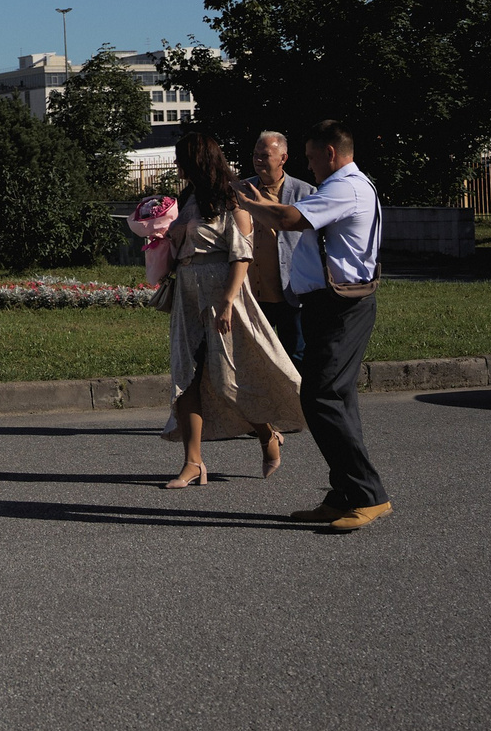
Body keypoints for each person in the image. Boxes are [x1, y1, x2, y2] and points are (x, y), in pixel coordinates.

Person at [236, 118, 391, 532]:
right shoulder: (344, 185)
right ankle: (344, 494)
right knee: (336, 399)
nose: (309, 166)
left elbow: (288, 219)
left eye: (309, 157)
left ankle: (367, 495)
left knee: (322, 397)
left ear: (330, 154)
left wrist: (249, 203)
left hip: (341, 307)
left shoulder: (344, 187)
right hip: (329, 304)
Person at [160, 132, 304, 488]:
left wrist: (226, 302)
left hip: (222, 294)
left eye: (181, 158)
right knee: (186, 377)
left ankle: (266, 433)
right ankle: (193, 463)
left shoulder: (231, 196)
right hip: (188, 293)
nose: (177, 165)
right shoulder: (189, 195)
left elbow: (242, 253)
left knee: (228, 379)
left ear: (197, 159)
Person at [242, 130, 312, 366]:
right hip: (252, 293)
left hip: (290, 293)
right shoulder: (242, 191)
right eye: (255, 154)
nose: (258, 160)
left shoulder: (305, 193)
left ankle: (299, 402)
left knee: (295, 355)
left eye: (265, 155)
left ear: (283, 158)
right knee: (254, 358)